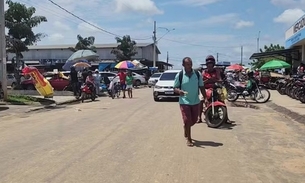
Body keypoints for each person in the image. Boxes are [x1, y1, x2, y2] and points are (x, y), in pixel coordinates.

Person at [174, 57, 206, 147]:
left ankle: (186, 128)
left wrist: (205, 97)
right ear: (183, 65)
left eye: (191, 63)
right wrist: (179, 91)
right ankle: (189, 138)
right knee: (187, 120)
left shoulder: (197, 74)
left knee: (194, 120)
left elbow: (201, 86)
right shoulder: (179, 75)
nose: (189, 66)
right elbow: (175, 88)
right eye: (187, 64)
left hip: (195, 101)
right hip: (184, 101)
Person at [197, 55, 221, 123]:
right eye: (208, 65)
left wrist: (215, 80)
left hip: (214, 88)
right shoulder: (204, 72)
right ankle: (199, 117)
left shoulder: (216, 71)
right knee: (201, 100)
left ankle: (226, 117)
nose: (210, 66)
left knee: (221, 99)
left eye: (211, 64)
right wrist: (207, 81)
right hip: (205, 89)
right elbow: (201, 82)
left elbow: (220, 80)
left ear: (213, 65)